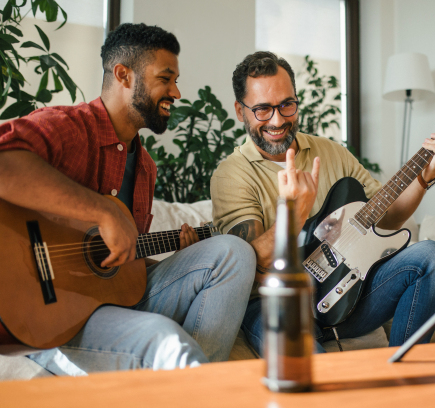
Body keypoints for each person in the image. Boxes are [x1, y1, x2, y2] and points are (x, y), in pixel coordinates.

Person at [0, 23, 255, 375]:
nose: (176, 93)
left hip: (108, 303)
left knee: (234, 251)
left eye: (176, 80)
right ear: (123, 75)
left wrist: (182, 258)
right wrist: (104, 210)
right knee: (164, 339)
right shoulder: (68, 127)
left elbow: (118, 265)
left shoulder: (145, 168)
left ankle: (193, 385)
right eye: (165, 79)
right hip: (46, 317)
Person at [210, 51, 435, 355]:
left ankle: (404, 377)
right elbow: (251, 262)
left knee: (434, 256)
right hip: (273, 303)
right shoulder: (231, 174)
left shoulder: (331, 152)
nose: (277, 120)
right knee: (307, 365)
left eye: (287, 105)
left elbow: (386, 218)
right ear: (240, 110)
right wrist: (296, 211)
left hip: (349, 293)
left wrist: (424, 177)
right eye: (262, 109)